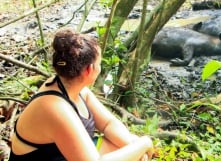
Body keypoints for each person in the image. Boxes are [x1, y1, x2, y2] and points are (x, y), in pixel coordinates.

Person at [8, 28, 153, 161]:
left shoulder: (74, 87)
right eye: (100, 63)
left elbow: (108, 123)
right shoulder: (56, 108)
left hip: (61, 155)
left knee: (126, 145)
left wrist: (133, 145)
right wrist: (144, 143)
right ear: (89, 70)